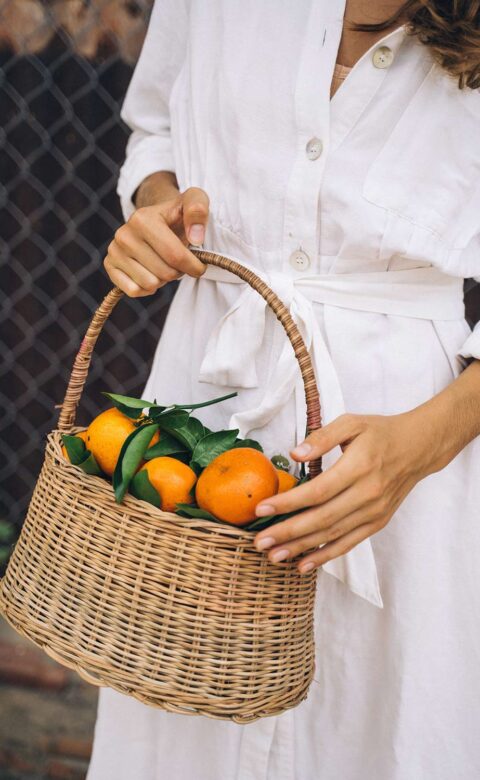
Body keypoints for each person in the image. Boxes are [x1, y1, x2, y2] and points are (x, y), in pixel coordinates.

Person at [87, 1, 480, 778]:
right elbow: (157, 129)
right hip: (209, 390)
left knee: (381, 726)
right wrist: (155, 211)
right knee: (181, 726)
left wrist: (424, 444)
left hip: (412, 435)